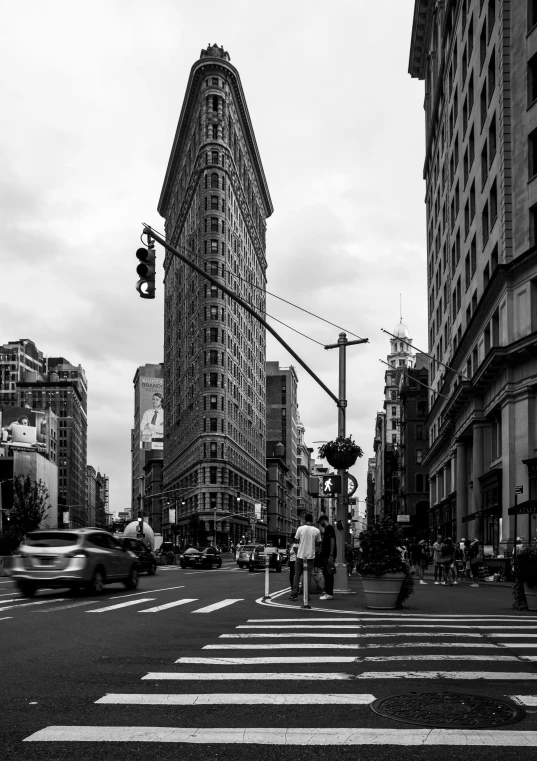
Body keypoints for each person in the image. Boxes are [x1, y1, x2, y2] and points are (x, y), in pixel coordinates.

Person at [289, 514, 321, 601]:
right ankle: (306, 595)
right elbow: (318, 543)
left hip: (300, 555)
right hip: (310, 556)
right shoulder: (317, 530)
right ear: (312, 520)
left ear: (304, 520)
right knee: (308, 576)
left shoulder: (300, 528)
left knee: (297, 574)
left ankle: (294, 593)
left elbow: (296, 540)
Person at [318, 514, 337, 600]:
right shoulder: (327, 529)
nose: (320, 524)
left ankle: (329, 593)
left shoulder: (329, 528)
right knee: (327, 573)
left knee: (328, 573)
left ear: (323, 520)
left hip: (328, 555)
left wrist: (331, 555)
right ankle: (327, 592)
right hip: (326, 555)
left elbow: (332, 541)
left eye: (320, 522)